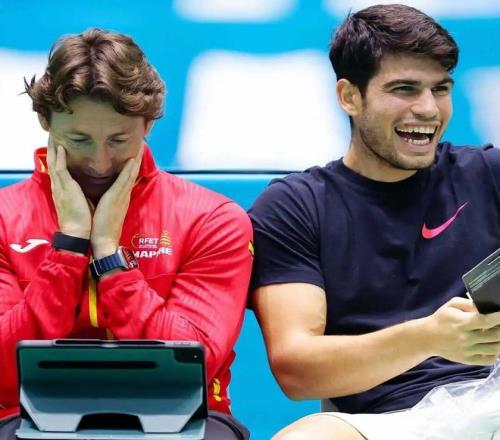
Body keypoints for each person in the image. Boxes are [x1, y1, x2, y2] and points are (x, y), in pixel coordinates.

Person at [249, 4, 500, 439]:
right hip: (389, 422)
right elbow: (296, 369)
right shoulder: (294, 206)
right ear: (349, 96)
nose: (428, 109)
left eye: (440, 89)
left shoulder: (489, 173)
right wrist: (428, 337)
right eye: (405, 89)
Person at [0, 29, 252, 440]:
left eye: (119, 140)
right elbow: (4, 374)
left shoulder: (212, 219)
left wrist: (109, 258)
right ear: (45, 120)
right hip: (23, 419)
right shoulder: (3, 218)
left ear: (148, 123)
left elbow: (195, 364)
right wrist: (68, 248)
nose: (100, 163)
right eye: (79, 140)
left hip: (185, 421)